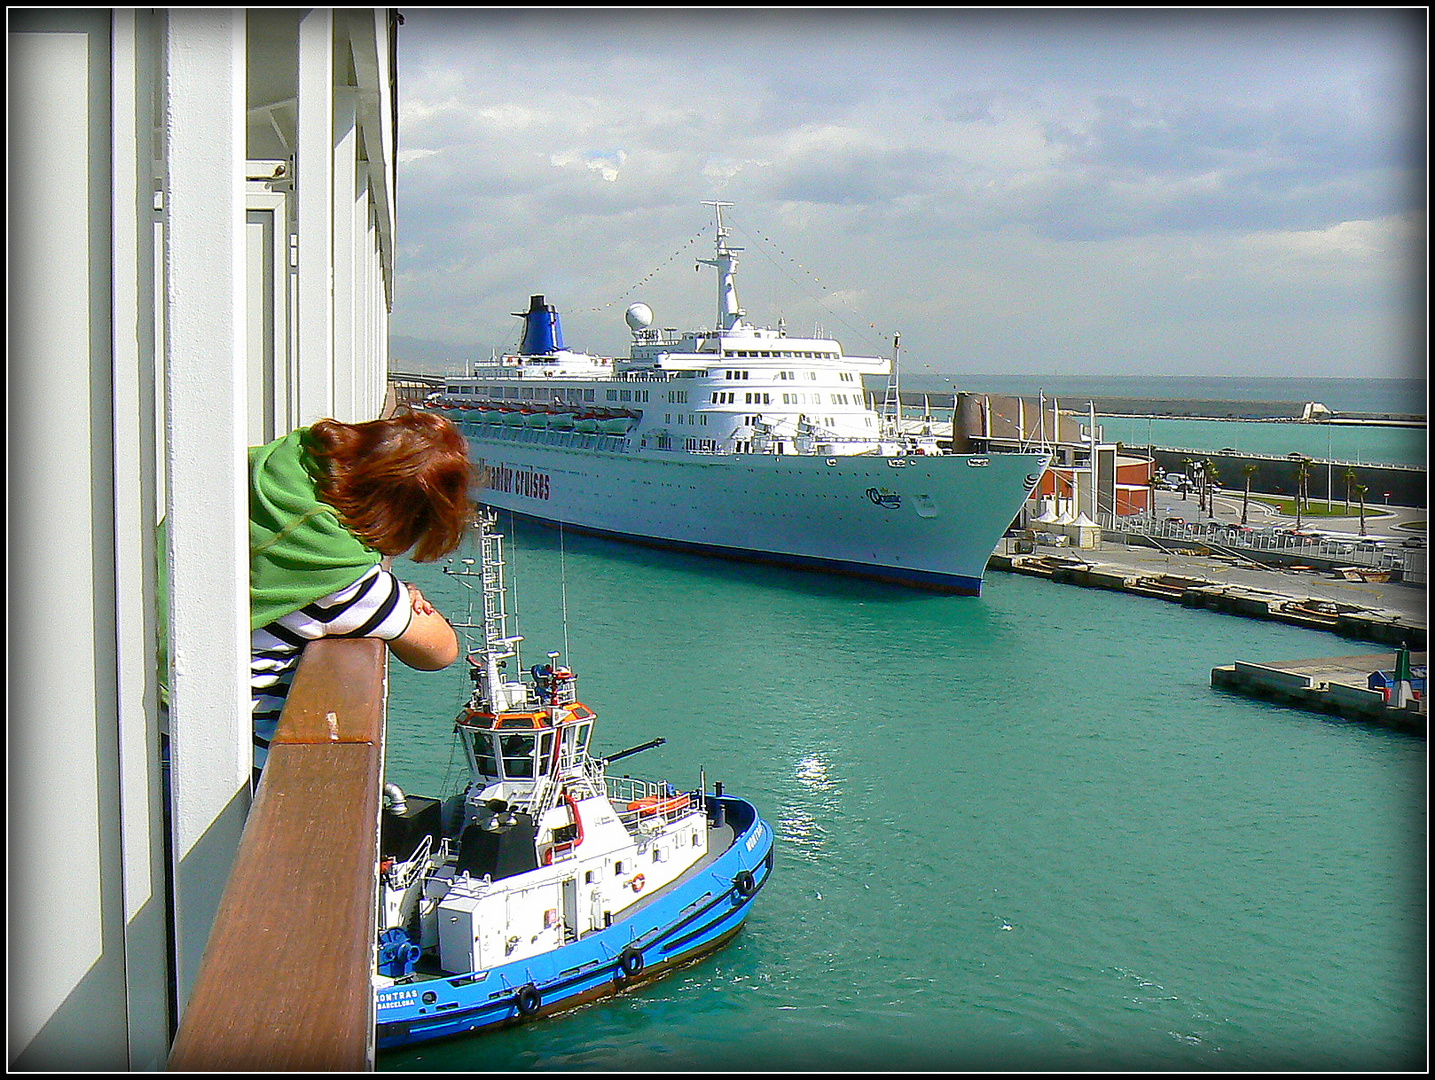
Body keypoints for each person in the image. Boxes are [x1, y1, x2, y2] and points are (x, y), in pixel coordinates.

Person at [249, 410, 471, 781]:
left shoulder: (278, 470)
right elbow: (440, 651)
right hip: (220, 752)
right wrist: (387, 594)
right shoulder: (334, 576)